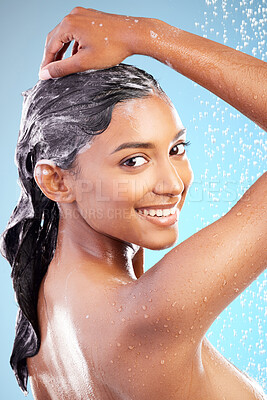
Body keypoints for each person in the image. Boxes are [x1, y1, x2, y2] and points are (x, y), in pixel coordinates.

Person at [1, 6, 266, 400]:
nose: (173, 183)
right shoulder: (151, 314)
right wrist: (146, 35)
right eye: (134, 160)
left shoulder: (42, 321)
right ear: (55, 180)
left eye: (177, 148)